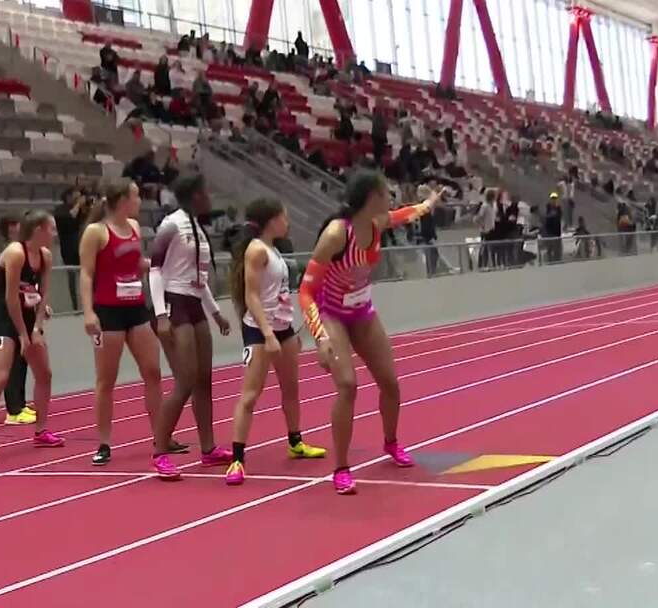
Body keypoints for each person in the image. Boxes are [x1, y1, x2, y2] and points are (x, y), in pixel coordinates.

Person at [298, 170, 440, 494]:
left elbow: (406, 214)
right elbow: (305, 292)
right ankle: (341, 467)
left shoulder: (377, 224)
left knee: (390, 383)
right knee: (347, 386)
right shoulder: (336, 234)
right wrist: (319, 338)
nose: (390, 197)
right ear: (371, 197)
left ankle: (391, 442)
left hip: (363, 314)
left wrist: (429, 202)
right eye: (385, 192)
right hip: (332, 315)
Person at [223, 199, 326, 486]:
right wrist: (267, 334)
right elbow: (251, 296)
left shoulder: (274, 250)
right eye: (284, 217)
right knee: (250, 394)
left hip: (283, 329)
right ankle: (237, 460)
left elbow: (278, 292)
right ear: (271, 221)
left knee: (291, 390)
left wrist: (288, 332)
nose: (288, 222)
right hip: (260, 331)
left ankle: (296, 442)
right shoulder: (257, 250)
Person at [78, 178, 171, 469]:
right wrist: (88, 312)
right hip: (109, 312)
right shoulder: (96, 232)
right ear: (121, 200)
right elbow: (86, 273)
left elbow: (133, 262)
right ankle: (104, 443)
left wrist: (152, 264)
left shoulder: (132, 227)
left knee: (153, 372)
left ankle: (161, 437)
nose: (140, 200)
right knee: (107, 380)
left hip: (136, 307)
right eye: (136, 196)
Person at [147, 174, 233, 480]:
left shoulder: (198, 227)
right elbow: (155, 270)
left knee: (204, 380)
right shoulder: (171, 224)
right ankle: (160, 451)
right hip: (173, 303)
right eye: (205, 192)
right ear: (195, 195)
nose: (209, 197)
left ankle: (208, 449)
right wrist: (160, 314)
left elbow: (200, 277)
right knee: (184, 380)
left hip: (194, 303)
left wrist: (216, 312)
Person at [0, 212, 64, 463]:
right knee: (0, 376)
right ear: (38, 230)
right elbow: (10, 298)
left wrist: (36, 328)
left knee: (44, 373)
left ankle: (41, 430)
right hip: (3, 319)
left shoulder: (45, 256)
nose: (55, 235)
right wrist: (23, 336)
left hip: (27, 318)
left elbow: (42, 294)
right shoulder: (15, 253)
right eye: (52, 229)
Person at [0, 215, 36, 425]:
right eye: (12, 226)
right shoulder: (10, 251)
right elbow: (10, 289)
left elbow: (26, 284)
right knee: (8, 365)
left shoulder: (27, 253)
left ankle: (20, 404)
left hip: (22, 311)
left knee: (21, 361)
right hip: (4, 314)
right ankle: (12, 409)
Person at [54, 188, 88, 311]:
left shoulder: (80, 209)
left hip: (81, 244)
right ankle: (74, 305)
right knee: (72, 275)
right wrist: (78, 204)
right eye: (75, 197)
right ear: (68, 196)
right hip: (68, 246)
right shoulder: (60, 210)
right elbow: (70, 217)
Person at [543, 193, 563, 263]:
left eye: (555, 199)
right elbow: (547, 217)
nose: (553, 200)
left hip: (556, 232)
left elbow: (558, 216)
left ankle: (557, 260)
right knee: (550, 248)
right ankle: (550, 260)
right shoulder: (548, 207)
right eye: (552, 199)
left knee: (557, 248)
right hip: (550, 232)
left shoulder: (558, 208)